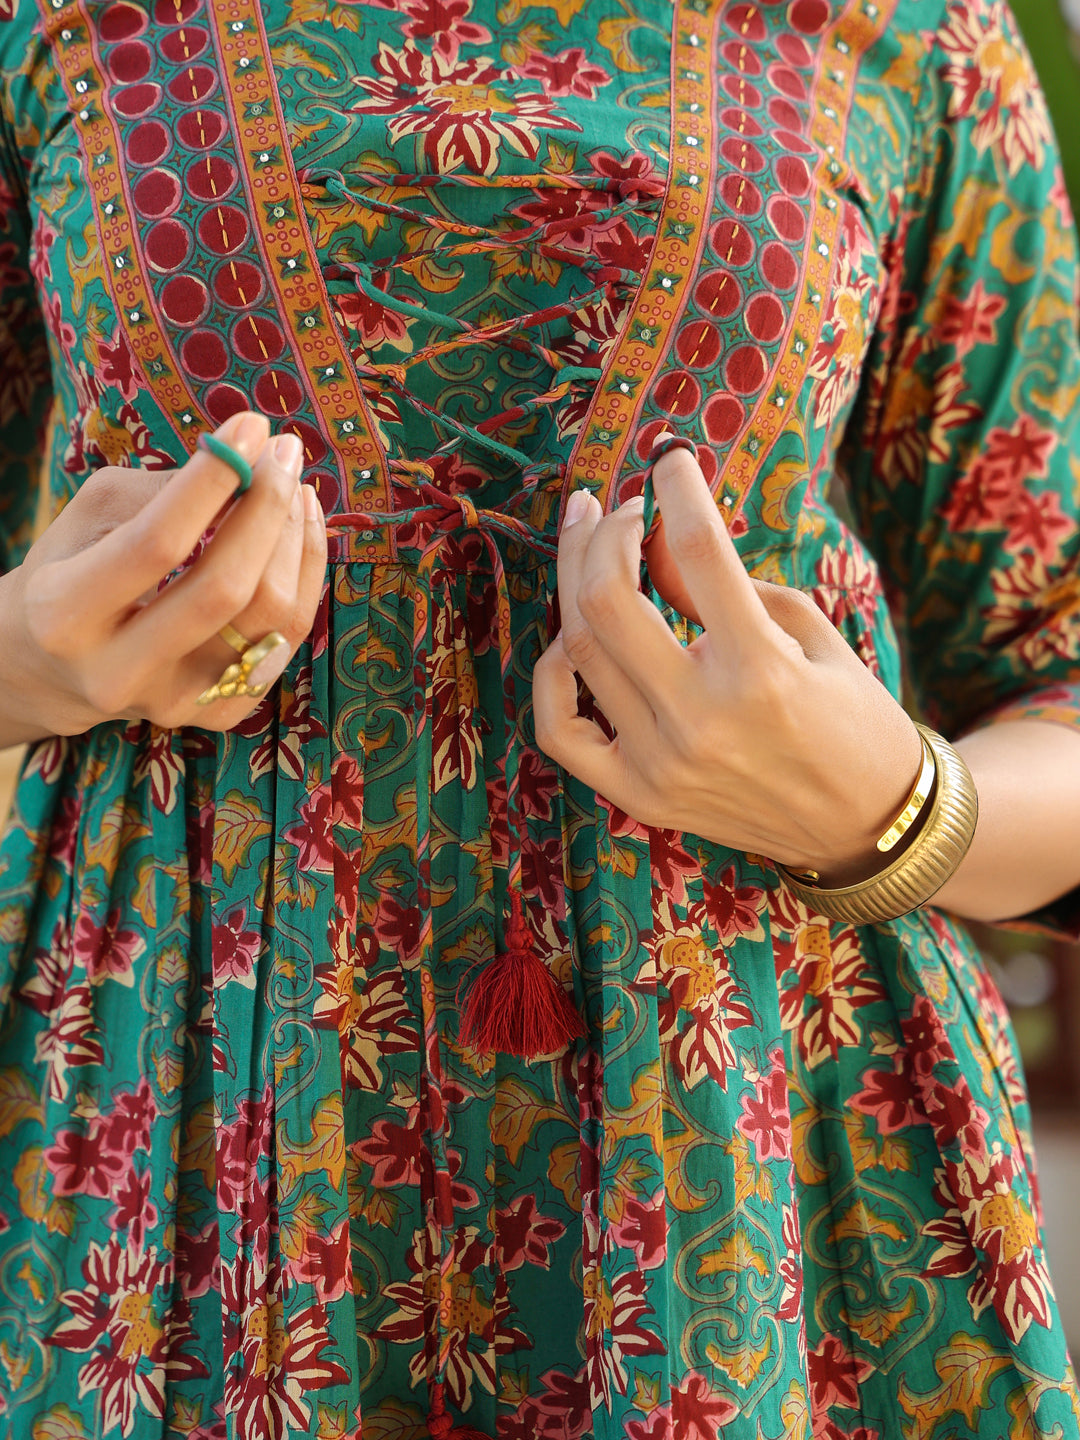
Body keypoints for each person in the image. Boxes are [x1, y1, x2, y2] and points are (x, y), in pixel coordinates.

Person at [0, 0, 1077, 1435]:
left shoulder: (918, 28)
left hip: (755, 1137)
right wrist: (29, 658)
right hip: (168, 1113)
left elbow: (1053, 655)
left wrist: (897, 810)